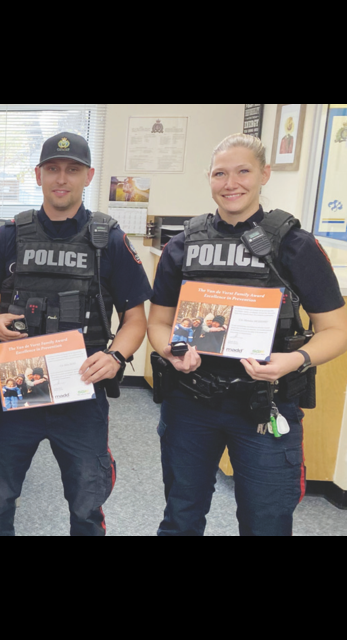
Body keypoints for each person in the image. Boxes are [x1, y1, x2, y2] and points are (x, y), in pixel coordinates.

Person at [147, 133, 347, 536]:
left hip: (265, 405)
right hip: (190, 401)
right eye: (220, 173)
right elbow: (158, 322)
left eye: (243, 171)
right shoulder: (184, 244)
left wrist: (295, 360)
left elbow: (336, 330)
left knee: (266, 523)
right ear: (209, 178)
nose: (230, 183)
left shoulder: (296, 246)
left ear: (264, 175)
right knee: (181, 516)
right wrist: (171, 350)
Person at [0, 132, 152, 536]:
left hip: (81, 392)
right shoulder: (11, 234)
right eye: (52, 168)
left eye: (72, 170)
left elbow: (135, 319)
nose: (61, 178)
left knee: (87, 503)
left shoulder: (110, 240)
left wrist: (116, 357)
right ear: (38, 175)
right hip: (17, 387)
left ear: (88, 176)